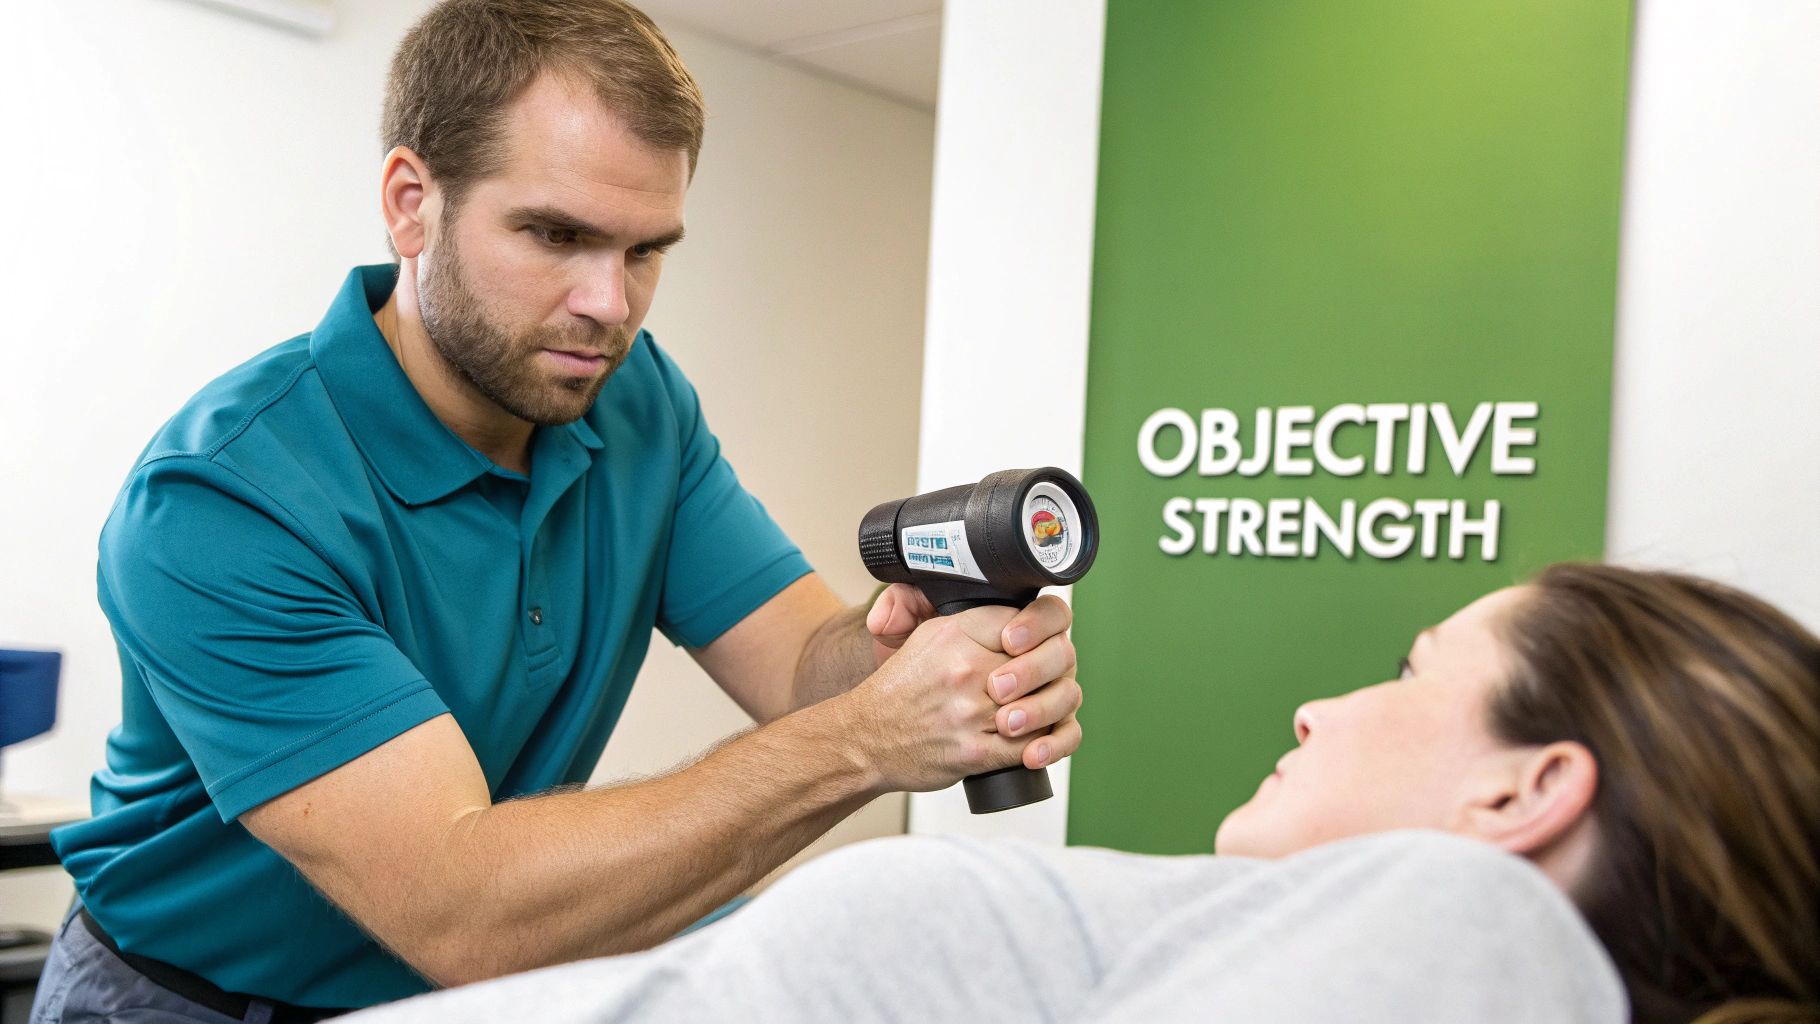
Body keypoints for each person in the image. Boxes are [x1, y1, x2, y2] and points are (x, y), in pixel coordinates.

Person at [30, 2, 1085, 1021]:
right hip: (195, 1000)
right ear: (411, 202)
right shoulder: (221, 499)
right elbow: (467, 909)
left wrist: (925, 657)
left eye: (645, 250)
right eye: (555, 234)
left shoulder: (637, 403)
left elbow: (808, 665)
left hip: (489, 993)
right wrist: (866, 738)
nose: (609, 306)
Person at [336, 564, 1818, 1024]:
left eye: (1411, 667)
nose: (1323, 706)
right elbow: (815, 664)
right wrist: (883, 691)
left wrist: (873, 737)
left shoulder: (1478, 925)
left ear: (1524, 791)